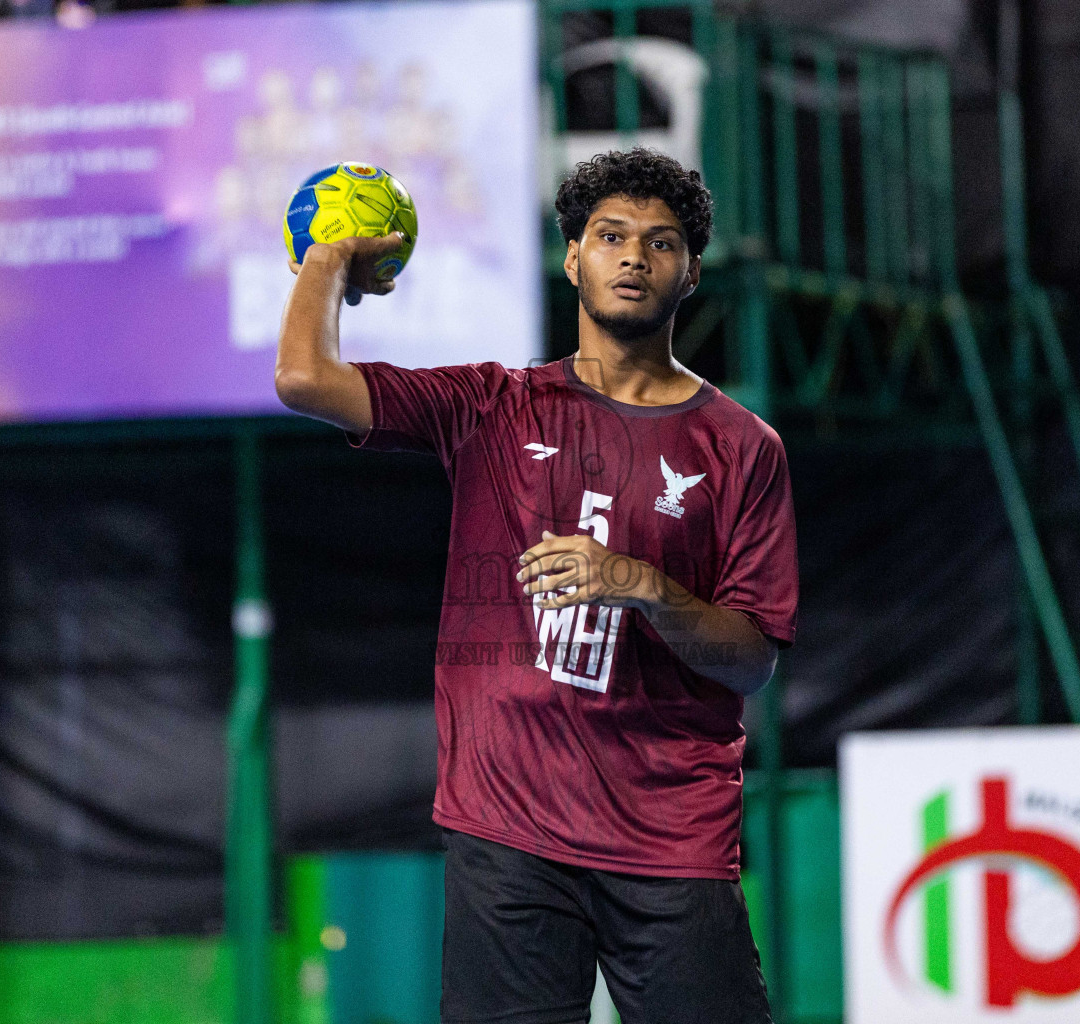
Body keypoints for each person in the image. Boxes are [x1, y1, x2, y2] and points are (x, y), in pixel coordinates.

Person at [275, 148, 798, 1024]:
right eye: (610, 236)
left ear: (691, 273)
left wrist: (639, 582)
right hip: (508, 833)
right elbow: (304, 379)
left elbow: (752, 661)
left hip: (670, 838)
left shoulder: (745, 447)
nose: (634, 257)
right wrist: (329, 257)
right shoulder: (493, 405)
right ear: (573, 258)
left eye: (661, 243)